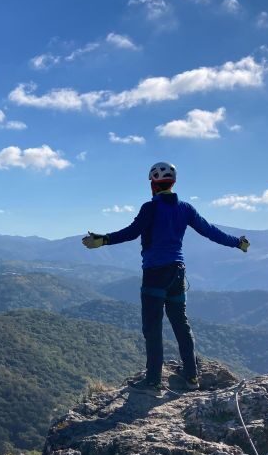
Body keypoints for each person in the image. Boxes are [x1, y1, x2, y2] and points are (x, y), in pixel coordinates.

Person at [82, 162, 249, 391]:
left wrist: (104, 240)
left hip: (154, 274)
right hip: (177, 273)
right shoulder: (186, 208)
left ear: (153, 184)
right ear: (174, 183)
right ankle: (191, 376)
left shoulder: (150, 208)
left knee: (152, 326)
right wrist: (237, 243)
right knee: (181, 324)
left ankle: (152, 379)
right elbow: (210, 230)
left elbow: (132, 232)